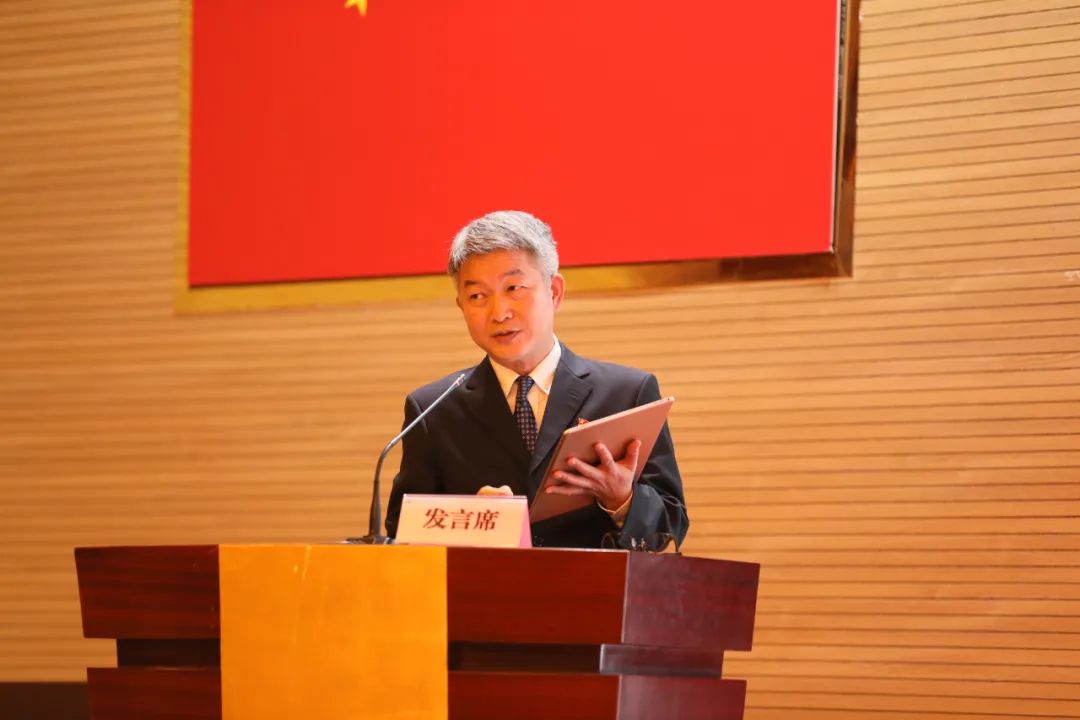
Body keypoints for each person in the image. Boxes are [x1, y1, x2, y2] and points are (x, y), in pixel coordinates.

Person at [385, 210, 688, 549]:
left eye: (514, 288)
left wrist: (622, 499)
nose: (499, 312)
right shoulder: (432, 410)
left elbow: (671, 524)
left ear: (554, 291)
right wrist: (468, 519)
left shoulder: (627, 394)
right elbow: (400, 533)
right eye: (477, 296)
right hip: (486, 585)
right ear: (461, 306)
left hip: (595, 584)